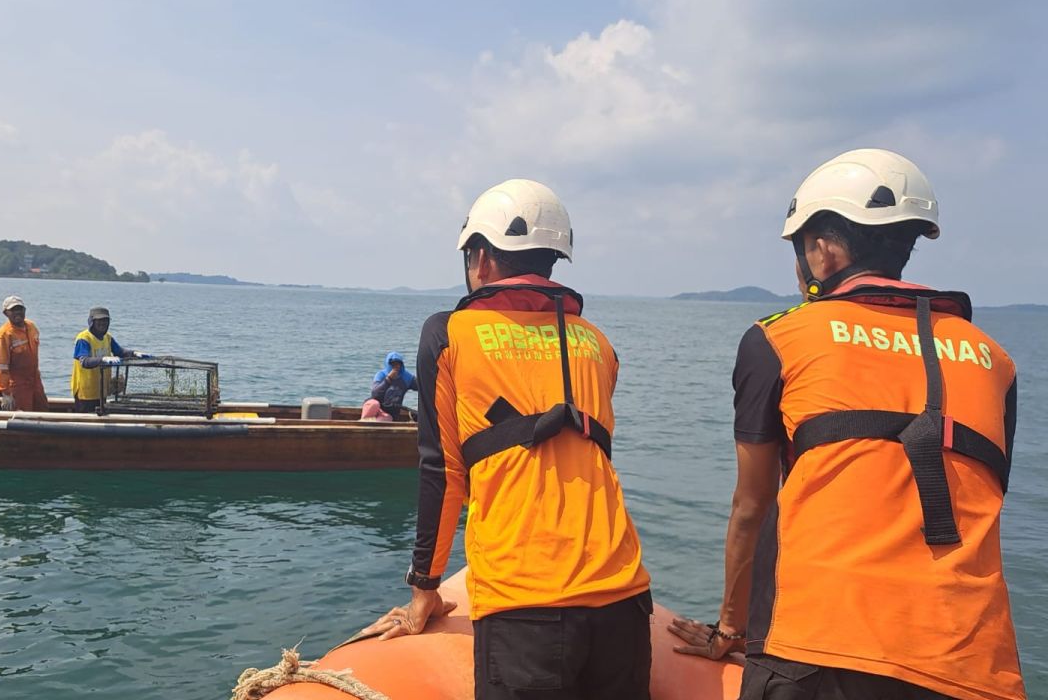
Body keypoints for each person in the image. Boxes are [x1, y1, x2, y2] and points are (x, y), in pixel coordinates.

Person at [669, 149, 1025, 700]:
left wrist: (731, 628)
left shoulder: (780, 337)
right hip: (974, 662)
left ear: (822, 249)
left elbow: (751, 505)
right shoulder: (994, 358)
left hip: (817, 648)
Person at [361, 179, 653, 700]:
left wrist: (423, 588)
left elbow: (443, 472)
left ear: (481, 259)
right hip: (624, 599)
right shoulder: (600, 345)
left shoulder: (448, 333)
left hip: (524, 605)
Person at [71, 306, 148, 412]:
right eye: (99, 320)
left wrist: (134, 353)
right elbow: (84, 361)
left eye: (105, 321)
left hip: (101, 389)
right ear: (92, 322)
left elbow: (120, 352)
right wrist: (103, 359)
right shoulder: (84, 339)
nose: (103, 323)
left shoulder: (108, 337)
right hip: (86, 392)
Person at [0, 295, 49, 412]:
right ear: (6, 313)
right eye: (13, 310)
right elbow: (0, 366)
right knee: (24, 418)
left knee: (43, 412)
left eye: (20, 309)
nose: (17, 312)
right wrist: (5, 393)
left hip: (35, 381)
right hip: (18, 386)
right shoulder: (3, 335)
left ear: (25, 310)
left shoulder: (31, 327)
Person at [359, 351, 417, 421]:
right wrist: (388, 380)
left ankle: (370, 426)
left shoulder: (406, 377)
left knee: (385, 419)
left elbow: (421, 386)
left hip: (389, 413)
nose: (396, 366)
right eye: (393, 364)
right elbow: (374, 394)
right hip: (376, 407)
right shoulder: (381, 374)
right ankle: (362, 423)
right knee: (373, 404)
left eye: (398, 364)